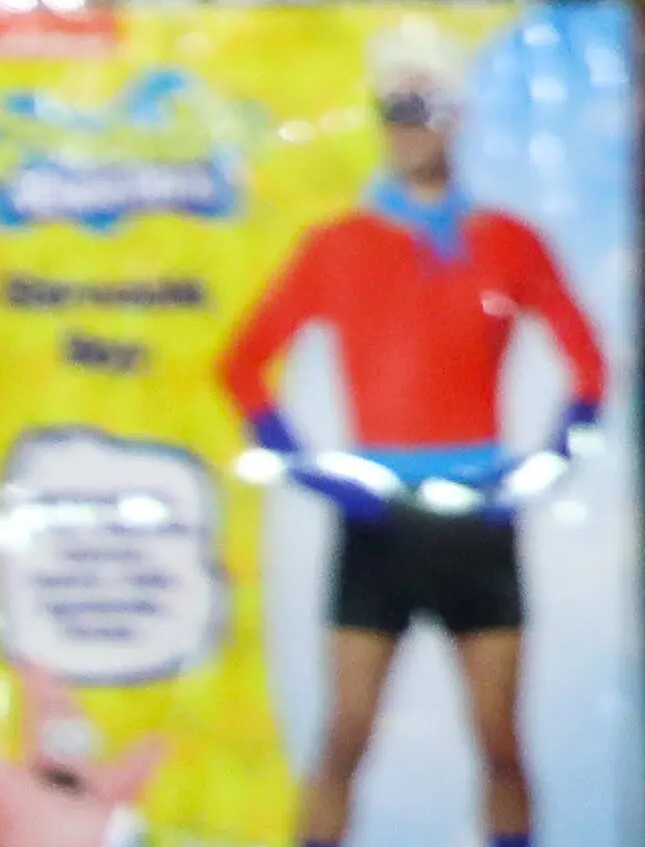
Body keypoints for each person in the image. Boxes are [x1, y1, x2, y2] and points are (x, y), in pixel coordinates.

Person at [219, 47, 607, 847]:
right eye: (396, 114)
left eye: (425, 112)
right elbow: (241, 362)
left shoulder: (509, 241)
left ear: (456, 120)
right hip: (377, 526)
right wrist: (317, 475)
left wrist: (550, 459)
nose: (410, 130)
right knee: (343, 740)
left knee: (500, 744)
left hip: (478, 521)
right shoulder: (337, 246)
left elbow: (590, 362)